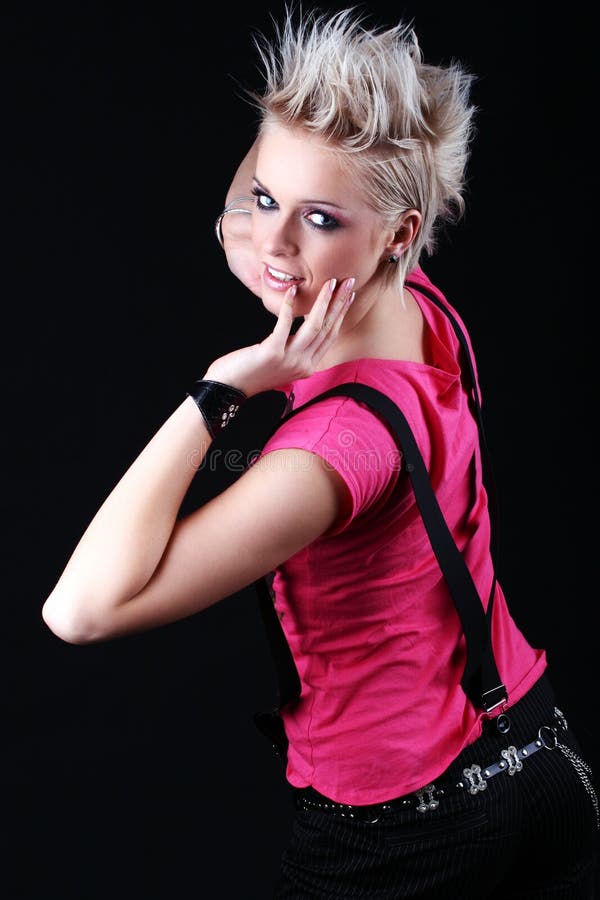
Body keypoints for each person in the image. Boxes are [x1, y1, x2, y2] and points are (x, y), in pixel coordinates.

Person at [42, 6, 598, 897]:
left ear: (400, 234)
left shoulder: (329, 454)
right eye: (268, 198)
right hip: (539, 758)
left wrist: (225, 386)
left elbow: (80, 610)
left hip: (408, 834)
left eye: (319, 220)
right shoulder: (424, 311)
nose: (273, 246)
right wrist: (292, 151)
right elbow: (247, 217)